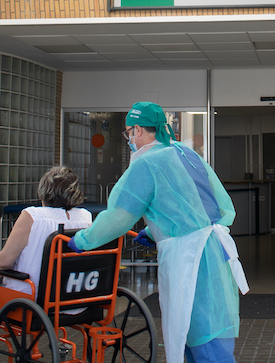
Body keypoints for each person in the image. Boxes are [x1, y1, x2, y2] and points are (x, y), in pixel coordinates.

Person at [68, 102, 249, 363]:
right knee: (208, 333)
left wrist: (82, 241)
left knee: (200, 339)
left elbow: (119, 217)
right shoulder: (187, 154)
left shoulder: (146, 164)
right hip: (215, 252)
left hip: (188, 260)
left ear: (138, 130)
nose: (128, 139)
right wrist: (155, 234)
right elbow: (220, 207)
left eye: (128, 132)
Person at [0, 166, 92, 345]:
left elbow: (3, 262)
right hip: (73, 296)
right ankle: (32, 348)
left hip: (32, 298)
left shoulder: (32, 215)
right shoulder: (85, 217)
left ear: (44, 191)